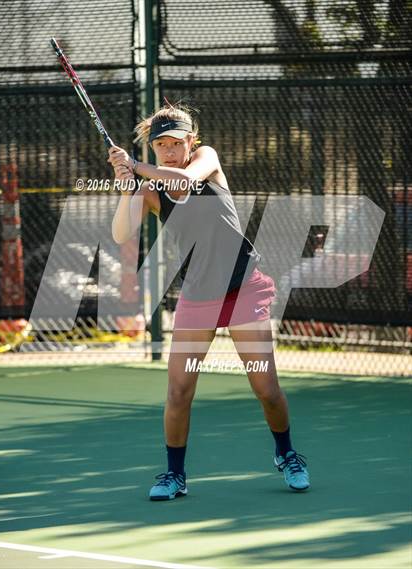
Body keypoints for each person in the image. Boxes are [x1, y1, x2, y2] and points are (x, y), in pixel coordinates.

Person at [109, 102, 310, 500]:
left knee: (266, 387)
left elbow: (183, 181)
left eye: (174, 142)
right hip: (197, 297)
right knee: (179, 391)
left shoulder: (206, 160)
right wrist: (127, 186)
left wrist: (136, 165)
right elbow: (121, 233)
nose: (167, 149)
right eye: (159, 144)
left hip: (244, 290)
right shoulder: (150, 187)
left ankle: (287, 455)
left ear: (190, 142)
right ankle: (174, 475)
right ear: (153, 148)